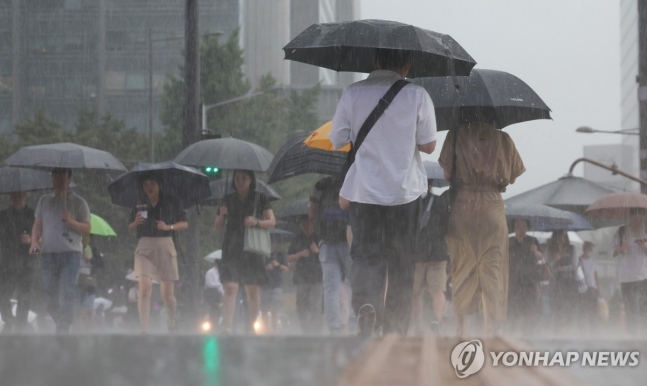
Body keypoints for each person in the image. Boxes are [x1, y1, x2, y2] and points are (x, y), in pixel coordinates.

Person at [330, 48, 437, 337]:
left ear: (374, 61)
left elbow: (338, 138)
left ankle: (367, 305)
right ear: (407, 63)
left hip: (365, 192)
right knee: (402, 261)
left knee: (366, 256)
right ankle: (394, 329)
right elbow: (428, 145)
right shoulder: (417, 95)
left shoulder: (353, 93)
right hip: (405, 194)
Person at [439, 122, 525, 337]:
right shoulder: (503, 139)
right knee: (491, 268)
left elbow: (447, 175)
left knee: (462, 267)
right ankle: (488, 328)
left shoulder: (455, 134)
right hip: (492, 205)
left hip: (463, 205)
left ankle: (461, 330)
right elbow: (513, 176)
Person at [29, 168, 91, 334]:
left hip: (70, 254)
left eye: (62, 177)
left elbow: (87, 228)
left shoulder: (79, 202)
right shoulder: (44, 201)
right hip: (48, 254)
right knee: (49, 293)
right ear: (52, 180)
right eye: (55, 177)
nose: (58, 181)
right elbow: (37, 224)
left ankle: (63, 326)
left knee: (66, 289)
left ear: (69, 179)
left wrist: (70, 221)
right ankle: (60, 321)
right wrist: (34, 241)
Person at [214, 170, 276, 335]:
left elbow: (271, 221)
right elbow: (218, 225)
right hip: (231, 245)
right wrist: (222, 214)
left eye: (244, 178)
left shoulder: (259, 197)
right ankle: (227, 327)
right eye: (237, 178)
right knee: (230, 286)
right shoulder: (227, 199)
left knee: (252, 288)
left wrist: (256, 222)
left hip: (251, 246)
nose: (240, 181)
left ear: (251, 180)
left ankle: (251, 326)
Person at [127, 173, 188, 333]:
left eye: (152, 183)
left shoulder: (171, 200)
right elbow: (130, 228)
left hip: (165, 244)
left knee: (168, 295)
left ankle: (171, 320)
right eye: (146, 184)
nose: (149, 187)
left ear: (159, 184)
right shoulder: (139, 202)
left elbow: (184, 223)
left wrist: (169, 227)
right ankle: (144, 329)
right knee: (145, 288)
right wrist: (135, 222)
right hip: (145, 246)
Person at [309, 176, 352, 335]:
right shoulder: (353, 179)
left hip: (326, 242)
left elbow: (311, 215)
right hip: (348, 241)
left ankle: (334, 329)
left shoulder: (320, 185)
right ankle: (354, 325)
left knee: (330, 289)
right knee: (353, 284)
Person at [411, 182, 449, 336]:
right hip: (438, 253)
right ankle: (437, 320)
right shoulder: (441, 202)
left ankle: (418, 326)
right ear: (431, 184)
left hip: (417, 253)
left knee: (415, 293)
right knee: (438, 290)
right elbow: (447, 227)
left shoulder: (411, 202)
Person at [0, 191, 35, 333]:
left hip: (27, 263)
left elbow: (41, 244)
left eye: (20, 196)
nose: (17, 199)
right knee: (3, 295)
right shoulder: (2, 216)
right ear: (10, 197)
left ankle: (20, 327)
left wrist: (31, 240)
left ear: (26, 197)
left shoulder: (34, 216)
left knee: (24, 297)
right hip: (6, 263)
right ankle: (9, 320)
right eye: (14, 196)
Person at [612, 208, 647, 336]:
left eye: (639, 213)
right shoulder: (622, 231)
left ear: (643, 215)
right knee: (631, 309)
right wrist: (622, 248)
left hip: (644, 277)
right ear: (630, 215)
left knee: (643, 309)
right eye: (633, 213)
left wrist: (644, 247)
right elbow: (613, 252)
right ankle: (633, 337)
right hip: (627, 278)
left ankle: (643, 336)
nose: (637, 216)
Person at [287, 216, 324, 334]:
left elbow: (328, 257)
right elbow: (288, 257)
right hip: (301, 277)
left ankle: (314, 332)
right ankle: (305, 330)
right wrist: (300, 254)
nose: (305, 227)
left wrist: (317, 251)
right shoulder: (297, 239)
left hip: (317, 277)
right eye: (303, 224)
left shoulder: (320, 238)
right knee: (301, 306)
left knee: (315, 306)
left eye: (307, 224)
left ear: (313, 223)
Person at [507, 219, 542, 336]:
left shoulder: (532, 241)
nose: (520, 228)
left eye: (523, 225)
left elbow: (541, 257)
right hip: (513, 283)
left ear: (527, 228)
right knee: (512, 312)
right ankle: (511, 336)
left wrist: (535, 251)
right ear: (513, 228)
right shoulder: (508, 241)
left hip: (530, 283)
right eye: (517, 225)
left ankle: (528, 336)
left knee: (530, 312)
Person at [545, 230, 578, 335]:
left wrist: (560, 269)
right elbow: (546, 264)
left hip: (569, 283)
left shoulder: (571, 249)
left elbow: (574, 265)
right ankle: (557, 331)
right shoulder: (550, 250)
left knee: (568, 308)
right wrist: (554, 260)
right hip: (555, 285)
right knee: (556, 308)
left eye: (563, 236)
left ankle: (566, 330)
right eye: (558, 237)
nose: (561, 239)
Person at [261, 250, 289, 333]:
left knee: (275, 310)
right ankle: (265, 330)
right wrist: (266, 268)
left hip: (277, 286)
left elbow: (286, 269)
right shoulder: (262, 255)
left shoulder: (280, 254)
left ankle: (274, 330)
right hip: (264, 286)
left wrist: (278, 265)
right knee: (264, 310)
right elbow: (256, 270)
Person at [579, 241, 600, 334]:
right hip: (583, 289)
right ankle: (583, 331)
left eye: (592, 249)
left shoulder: (593, 261)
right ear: (585, 249)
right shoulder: (579, 260)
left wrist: (598, 287)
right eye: (589, 249)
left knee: (593, 311)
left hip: (592, 288)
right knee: (583, 311)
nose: (591, 251)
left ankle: (594, 331)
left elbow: (596, 275)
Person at [204, 260, 224, 331]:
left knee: (220, 308)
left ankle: (219, 323)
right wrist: (220, 284)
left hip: (219, 294)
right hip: (211, 293)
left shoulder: (221, 272)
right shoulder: (210, 272)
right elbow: (209, 284)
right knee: (215, 309)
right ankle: (213, 324)